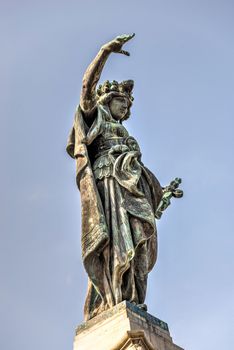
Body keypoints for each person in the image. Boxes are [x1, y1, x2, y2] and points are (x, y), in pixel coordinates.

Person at [67, 34, 164, 321]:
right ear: (108, 100)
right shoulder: (93, 115)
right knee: (116, 241)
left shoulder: (124, 131)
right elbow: (87, 88)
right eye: (121, 101)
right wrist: (104, 51)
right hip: (109, 182)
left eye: (127, 103)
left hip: (131, 184)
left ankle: (134, 298)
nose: (126, 107)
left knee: (139, 238)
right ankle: (114, 297)